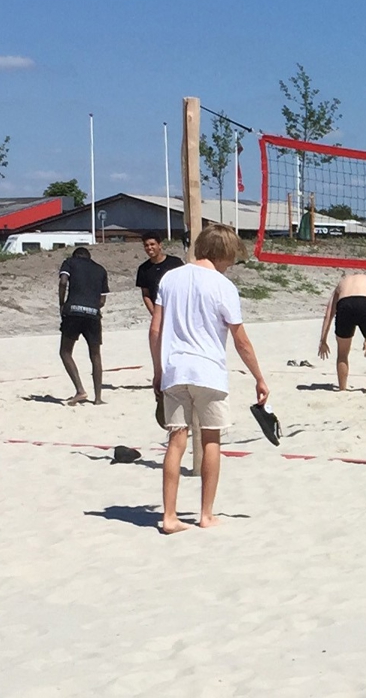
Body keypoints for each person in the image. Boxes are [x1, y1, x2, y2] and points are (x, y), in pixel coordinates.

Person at [149, 224, 269, 534]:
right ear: (224, 253)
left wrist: (158, 371)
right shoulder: (222, 286)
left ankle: (169, 517)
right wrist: (259, 377)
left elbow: (155, 330)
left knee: (176, 441)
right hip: (208, 371)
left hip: (174, 369)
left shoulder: (170, 277)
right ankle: (206, 514)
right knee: (211, 440)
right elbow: (240, 340)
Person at [318, 272, 366, 391]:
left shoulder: (341, 285)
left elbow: (329, 313)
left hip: (344, 305)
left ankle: (342, 388)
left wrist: (323, 340)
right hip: (364, 302)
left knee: (342, 354)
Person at [58, 246, 110, 405]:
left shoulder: (69, 263)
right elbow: (102, 301)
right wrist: (91, 307)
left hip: (73, 311)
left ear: (75, 256)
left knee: (65, 352)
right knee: (95, 355)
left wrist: (62, 304)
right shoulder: (101, 270)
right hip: (93, 314)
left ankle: (80, 390)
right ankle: (98, 398)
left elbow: (63, 282)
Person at [135, 231, 184, 316]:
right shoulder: (143, 269)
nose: (149, 247)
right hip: (159, 311)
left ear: (159, 245)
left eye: (152, 244)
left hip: (178, 309)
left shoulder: (175, 263)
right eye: (146, 245)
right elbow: (146, 295)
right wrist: (155, 314)